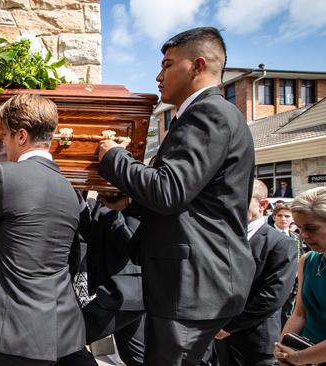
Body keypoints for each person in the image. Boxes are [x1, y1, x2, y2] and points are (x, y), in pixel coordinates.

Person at [97, 26, 256, 365]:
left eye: (167, 65)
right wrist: (129, 200)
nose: (158, 75)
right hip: (189, 283)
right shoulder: (202, 115)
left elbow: (169, 191)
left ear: (197, 65)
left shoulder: (208, 113)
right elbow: (191, 197)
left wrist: (113, 157)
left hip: (192, 284)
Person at [0, 94, 86, 365]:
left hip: (12, 329)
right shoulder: (69, 190)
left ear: (21, 136)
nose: (3, 143)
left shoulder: (5, 176)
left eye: (4, 135)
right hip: (61, 330)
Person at [213, 179, 297, 366]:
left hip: (256, 339)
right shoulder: (225, 237)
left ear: (263, 204)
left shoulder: (281, 243)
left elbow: (273, 295)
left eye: (241, 197)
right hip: (220, 338)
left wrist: (229, 326)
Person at [57, 191, 145, 366]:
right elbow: (95, 235)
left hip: (125, 294)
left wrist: (113, 210)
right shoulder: (105, 197)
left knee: (67, 339)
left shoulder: (137, 203)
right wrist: (80, 204)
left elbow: (130, 247)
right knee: (137, 357)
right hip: (125, 295)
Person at [274, 186, 326, 365]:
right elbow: (299, 314)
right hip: (302, 354)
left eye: (311, 228)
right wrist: (283, 347)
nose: (303, 235)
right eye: (299, 227)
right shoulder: (308, 259)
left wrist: (299, 358)